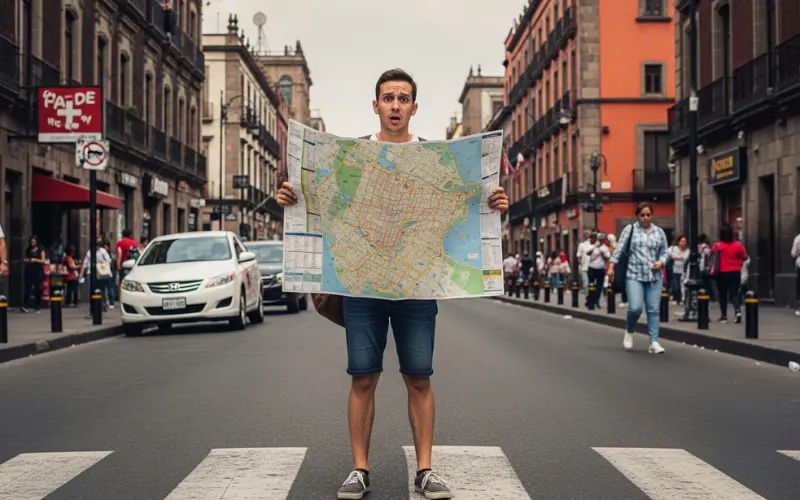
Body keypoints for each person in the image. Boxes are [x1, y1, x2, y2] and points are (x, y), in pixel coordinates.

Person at [276, 68, 509, 500]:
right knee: (363, 377)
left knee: (418, 377)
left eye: (403, 98)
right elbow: (319, 199)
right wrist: (291, 197)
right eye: (389, 98)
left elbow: (468, 205)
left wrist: (494, 203)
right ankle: (359, 469)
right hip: (363, 287)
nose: (396, 106)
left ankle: (425, 470)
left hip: (416, 290)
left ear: (414, 107)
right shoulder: (353, 156)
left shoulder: (434, 158)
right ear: (376, 104)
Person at [607, 202, 669, 354]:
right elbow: (620, 249)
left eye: (648, 215)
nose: (646, 218)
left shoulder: (659, 232)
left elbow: (665, 252)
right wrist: (611, 266)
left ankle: (654, 341)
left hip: (654, 276)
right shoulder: (630, 230)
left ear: (652, 215)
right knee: (635, 308)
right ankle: (629, 331)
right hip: (634, 274)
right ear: (637, 216)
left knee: (653, 309)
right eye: (642, 215)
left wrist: (661, 262)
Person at [711, 223, 749, 324]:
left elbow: (711, 256)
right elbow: (745, 257)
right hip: (735, 272)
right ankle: (737, 311)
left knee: (722, 295)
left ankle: (724, 316)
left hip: (722, 273)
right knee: (734, 294)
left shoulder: (717, 246)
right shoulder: (738, 245)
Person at [21, 235, 47, 313]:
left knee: (37, 289)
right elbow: (26, 258)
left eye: (34, 241)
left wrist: (35, 260)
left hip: (38, 271)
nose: (33, 242)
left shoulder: (41, 250)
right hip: (29, 270)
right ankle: (25, 305)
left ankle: (37, 306)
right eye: (31, 241)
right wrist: (27, 260)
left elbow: (43, 260)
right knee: (27, 288)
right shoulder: (28, 250)